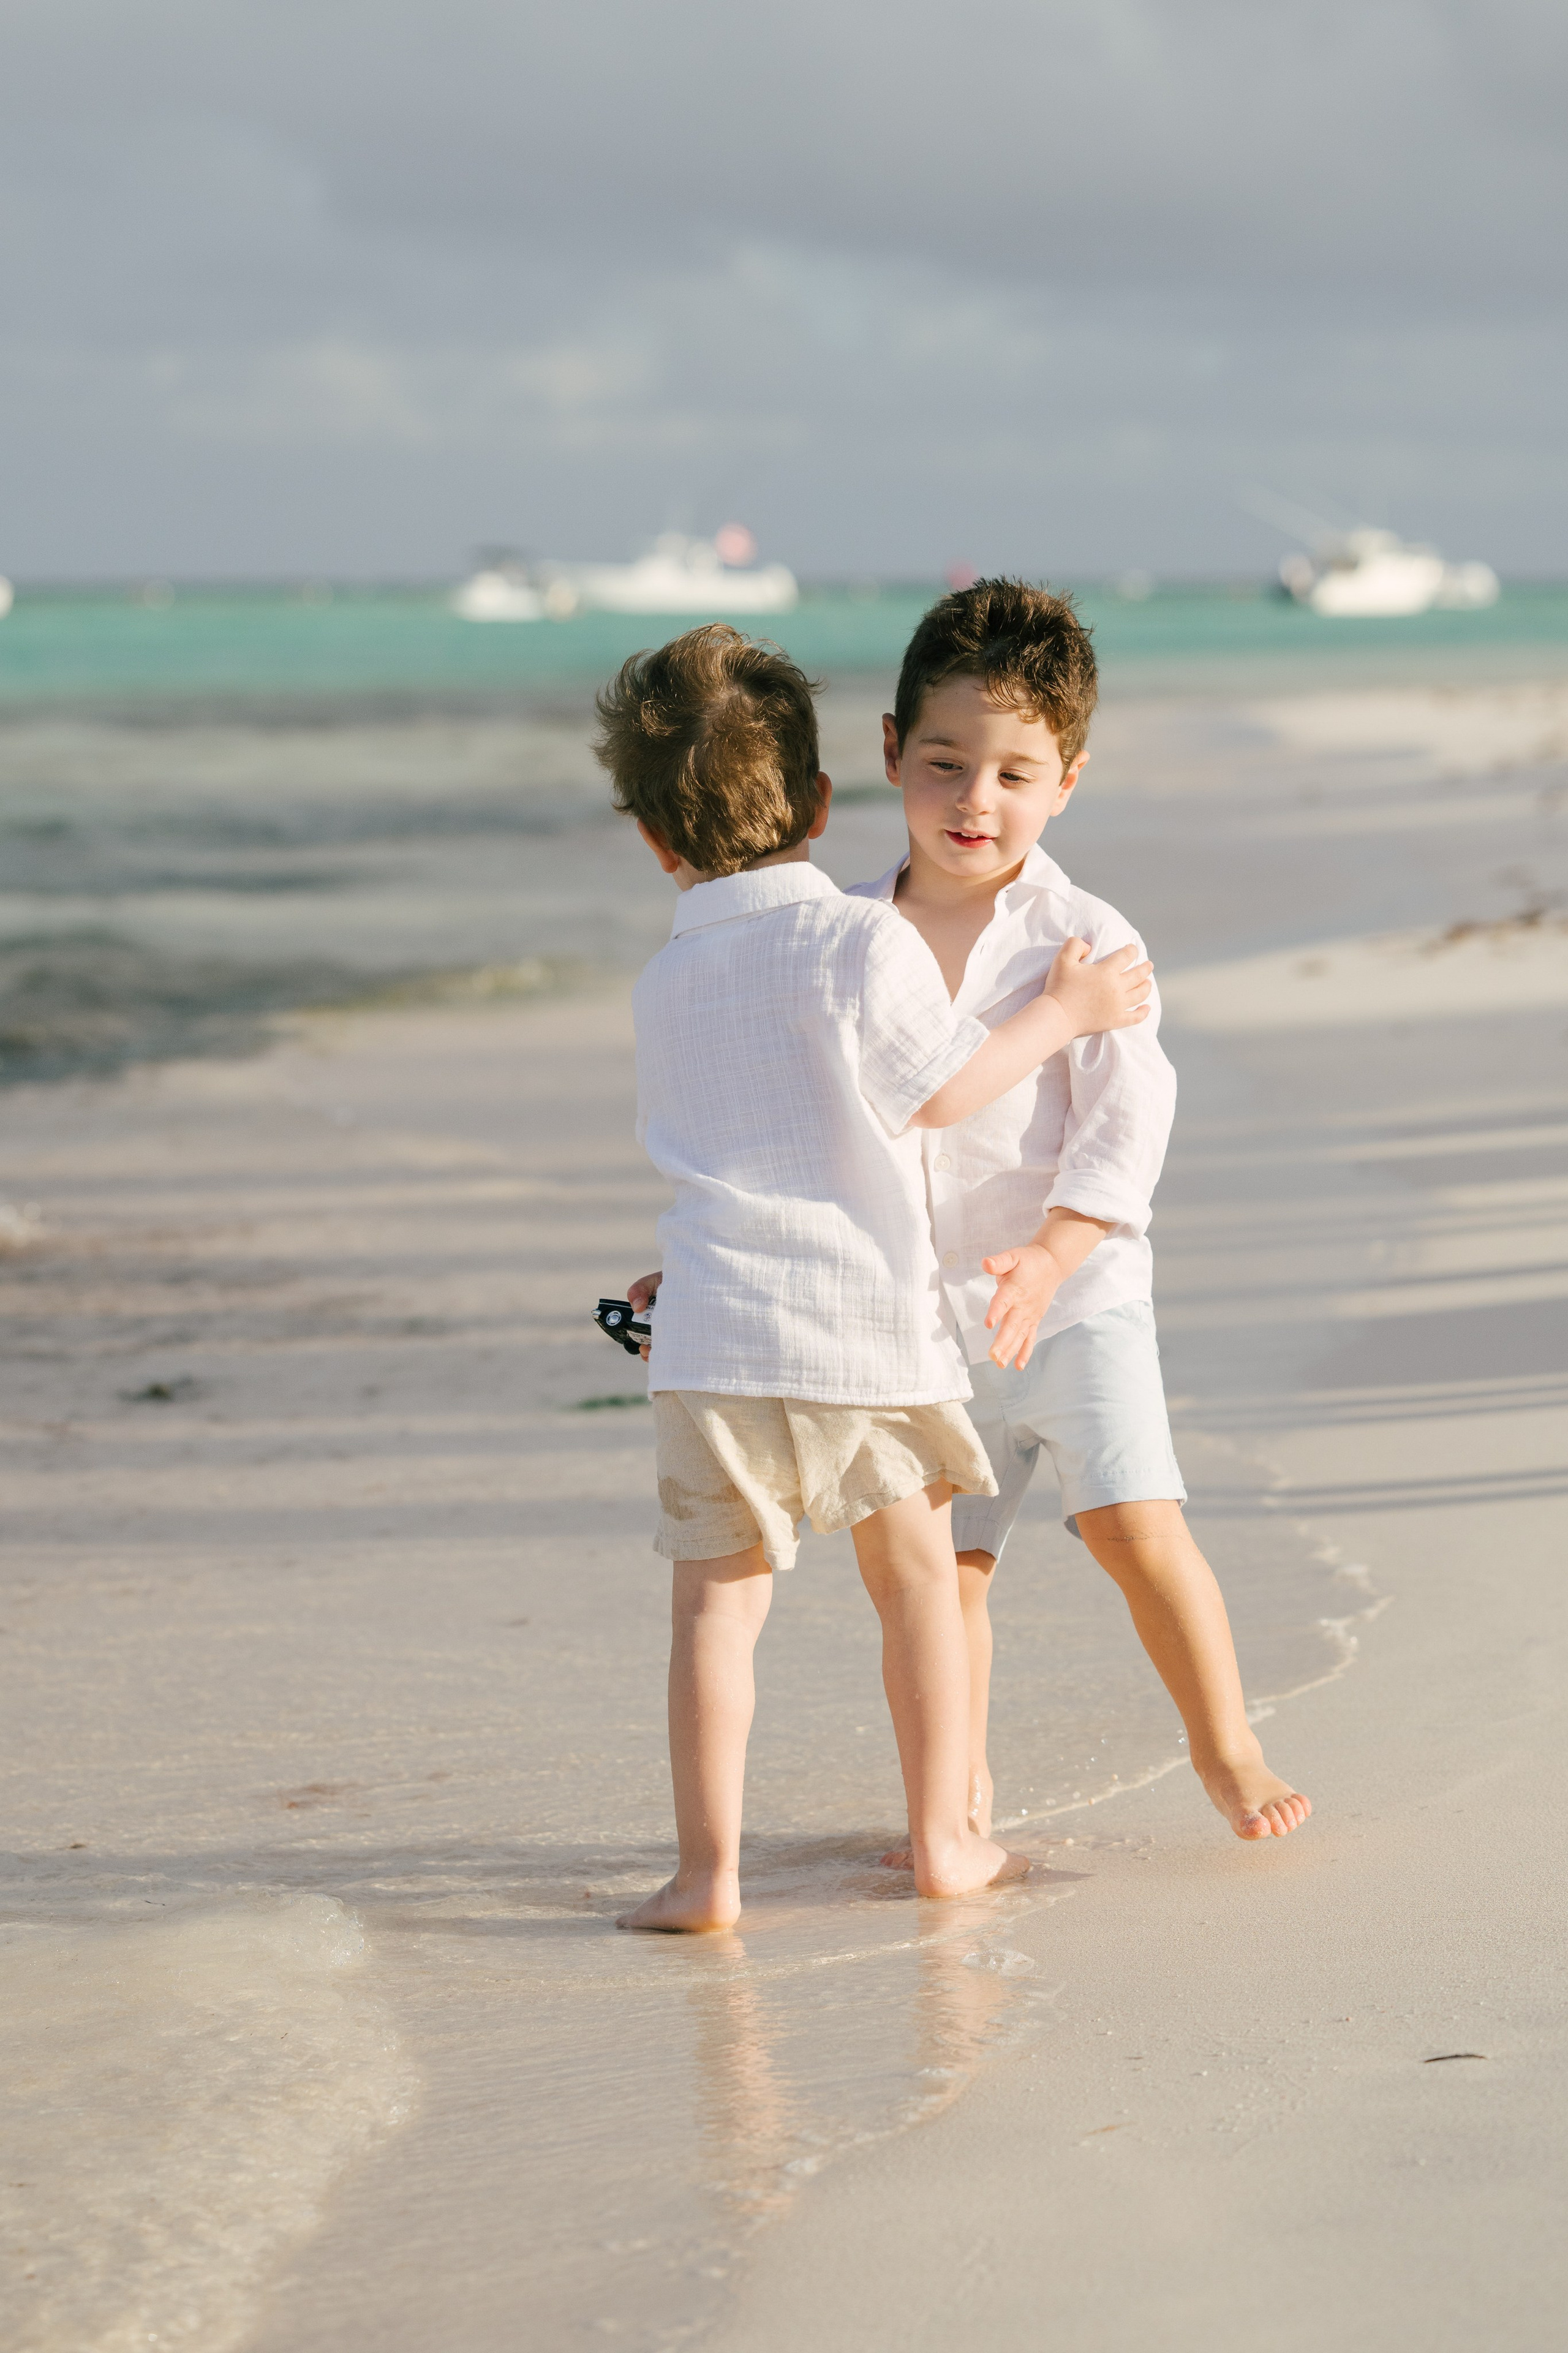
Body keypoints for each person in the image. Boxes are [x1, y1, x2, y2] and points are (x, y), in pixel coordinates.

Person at [597, 622, 1152, 1932]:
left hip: (714, 1340)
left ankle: (705, 1876)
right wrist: (1063, 1014)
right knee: (916, 1587)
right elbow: (940, 1092)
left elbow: (721, 1158)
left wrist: (683, 1273)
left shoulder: (663, 980)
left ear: (654, 840)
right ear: (819, 800)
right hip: (863, 1330)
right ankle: (945, 1841)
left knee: (713, 1612)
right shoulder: (861, 939)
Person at [851, 579, 1310, 1845]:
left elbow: (1125, 1120)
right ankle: (957, 1789)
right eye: (945, 763)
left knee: (1133, 1526)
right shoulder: (854, 939)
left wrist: (1056, 1254)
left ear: (1067, 782)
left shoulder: (1087, 940)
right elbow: (835, 1126)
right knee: (943, 1574)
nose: (975, 800)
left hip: (1073, 1299)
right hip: (921, 1323)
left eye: (1015, 774)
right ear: (890, 750)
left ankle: (1226, 1746)